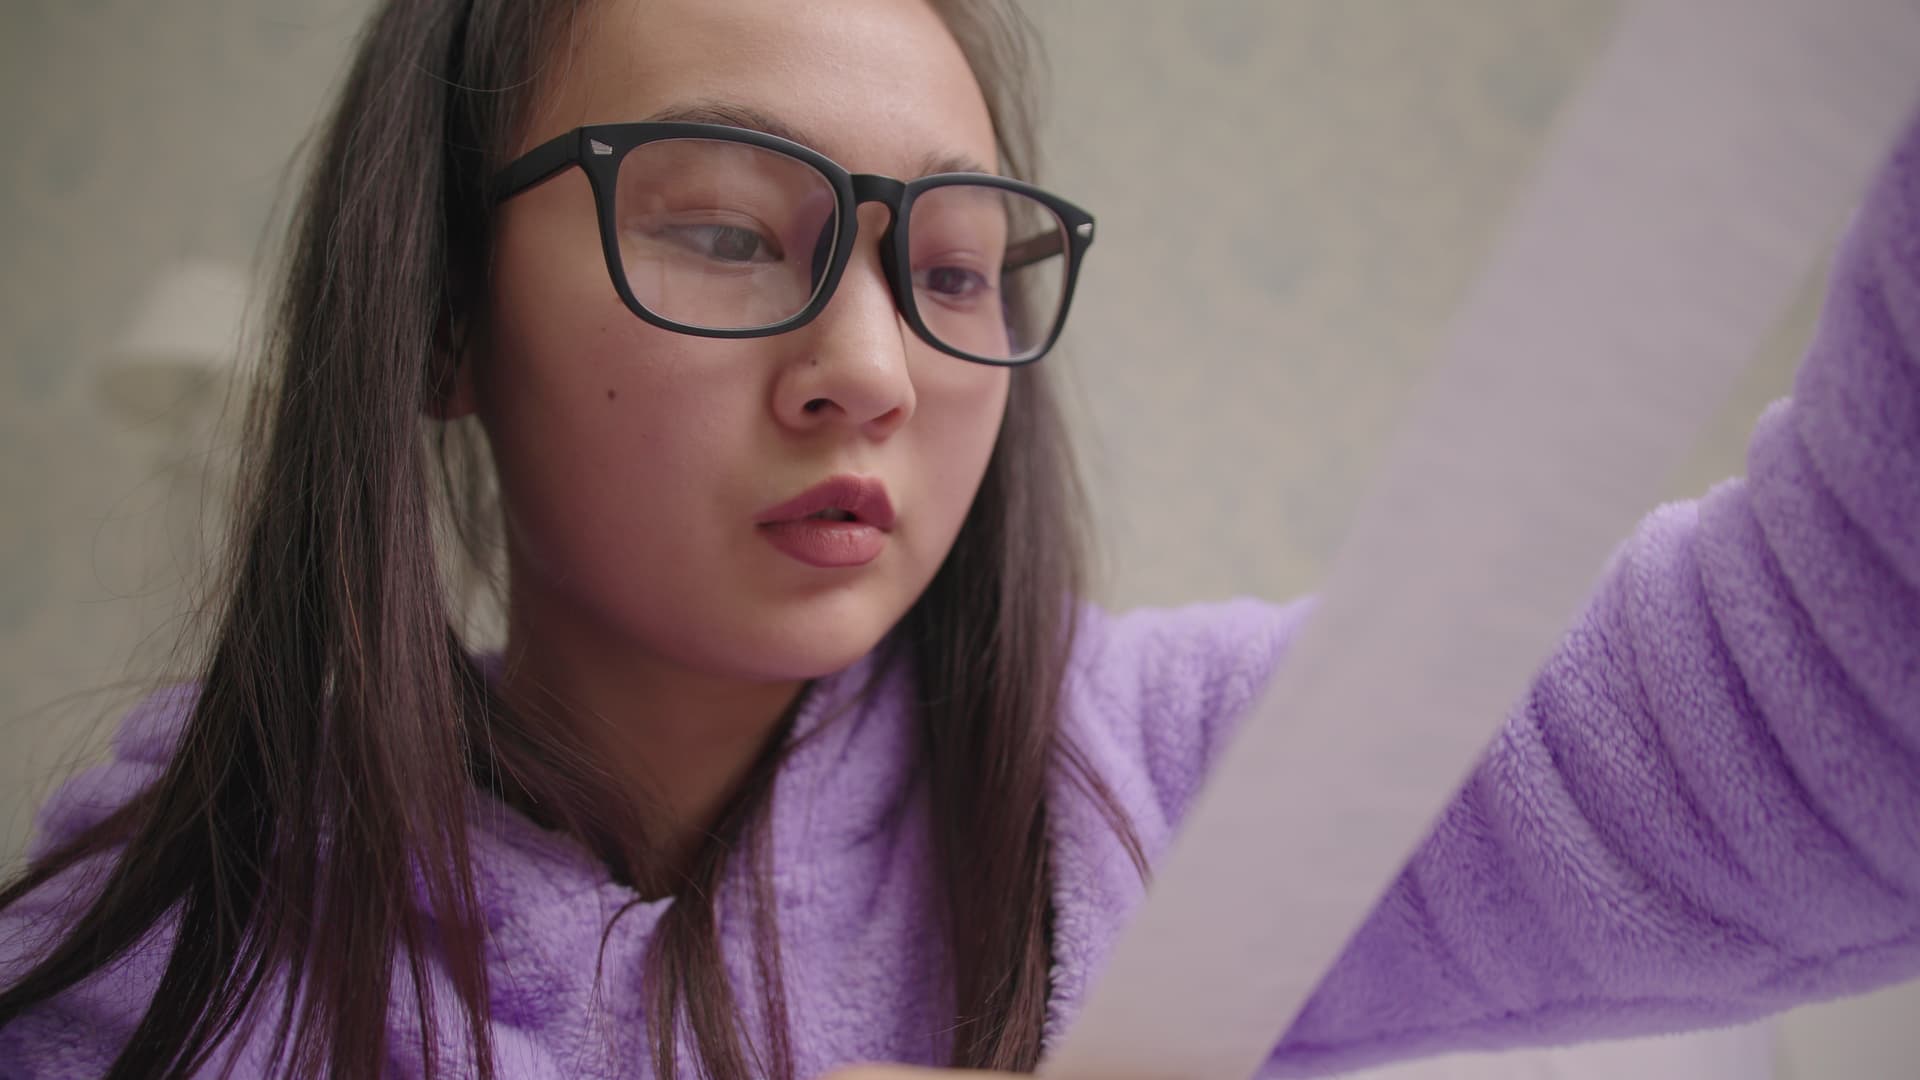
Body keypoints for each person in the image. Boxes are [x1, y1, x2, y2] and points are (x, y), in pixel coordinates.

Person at [2, 0, 1917, 1077]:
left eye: (954, 266)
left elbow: (1839, 693)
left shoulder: (1159, 780)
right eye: (730, 230)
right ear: (433, 315)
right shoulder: (153, 948)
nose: (872, 367)